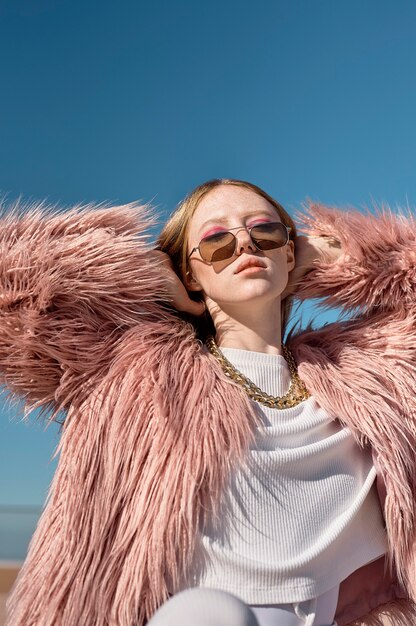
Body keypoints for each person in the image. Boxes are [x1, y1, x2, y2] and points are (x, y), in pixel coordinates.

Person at [1, 179, 416, 626]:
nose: (243, 245)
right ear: (190, 276)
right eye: (216, 241)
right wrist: (140, 272)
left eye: (266, 232)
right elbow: (15, 299)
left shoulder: (367, 374)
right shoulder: (133, 369)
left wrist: (342, 256)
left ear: (291, 252)